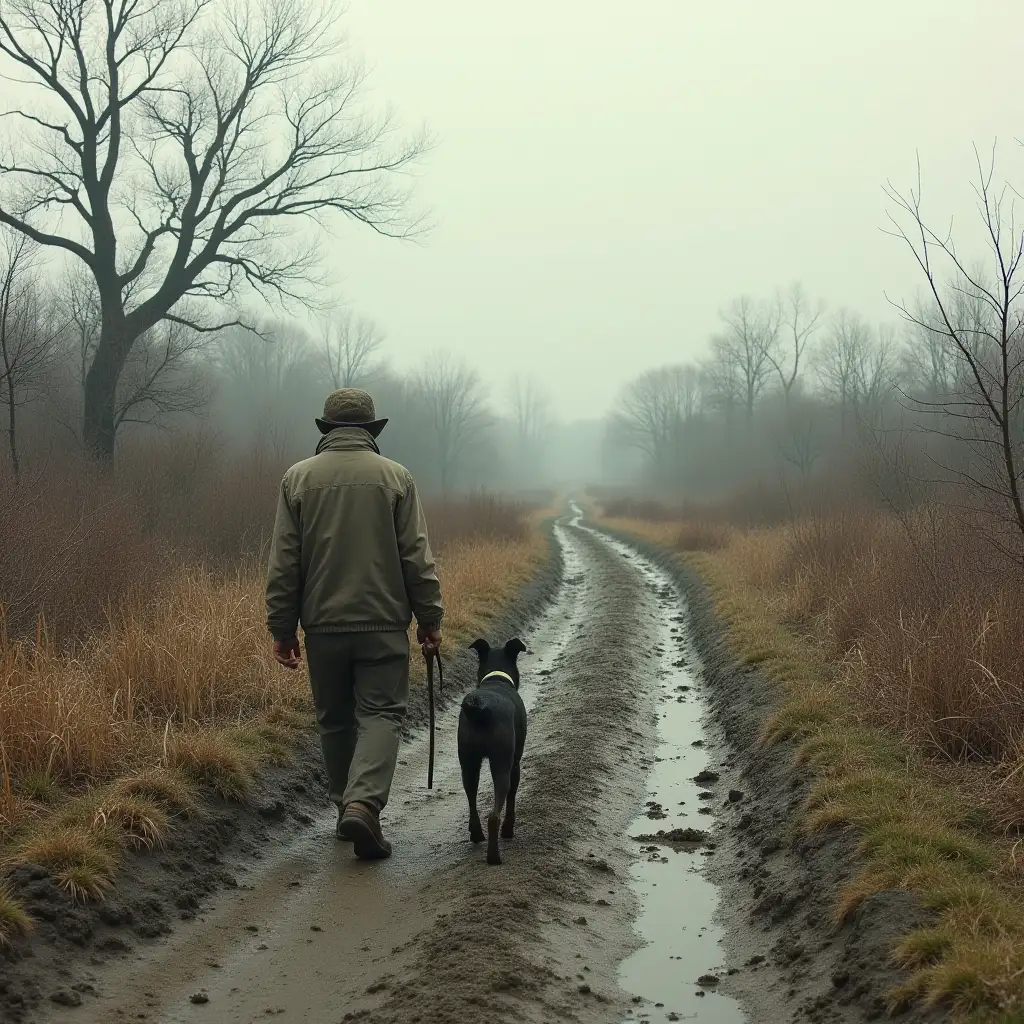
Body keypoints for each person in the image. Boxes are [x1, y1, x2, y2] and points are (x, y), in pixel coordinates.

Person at [265, 388, 444, 860]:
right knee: (382, 715)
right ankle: (362, 805)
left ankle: (348, 807)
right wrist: (430, 618)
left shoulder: (297, 480)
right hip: (383, 623)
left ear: (327, 429)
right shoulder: (396, 478)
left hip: (322, 627)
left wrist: (282, 629)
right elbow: (416, 559)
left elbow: (285, 563)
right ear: (371, 431)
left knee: (335, 720)